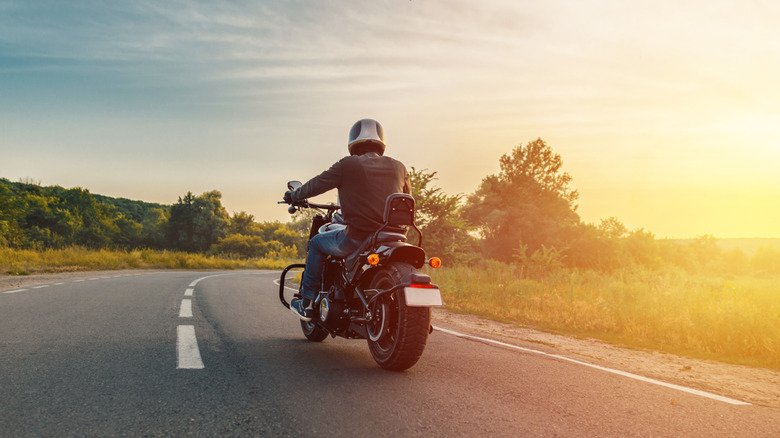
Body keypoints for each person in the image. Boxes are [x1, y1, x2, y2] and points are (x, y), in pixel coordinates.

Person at [284, 118, 411, 321]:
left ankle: (307, 302)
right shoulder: (400, 167)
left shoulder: (347, 164)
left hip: (358, 237)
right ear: (381, 143)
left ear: (353, 142)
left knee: (316, 243)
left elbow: (317, 184)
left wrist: (294, 195)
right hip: (393, 236)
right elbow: (408, 200)